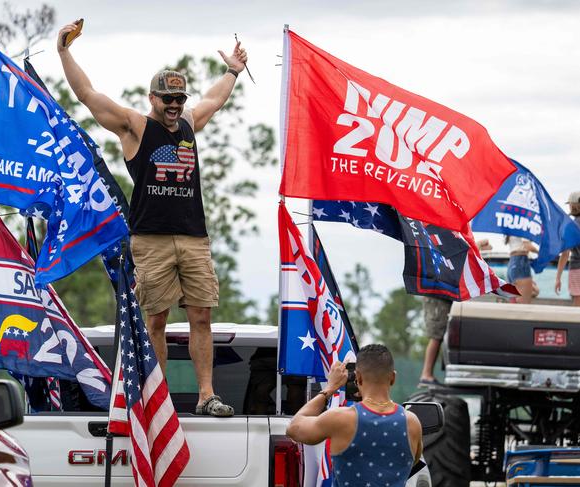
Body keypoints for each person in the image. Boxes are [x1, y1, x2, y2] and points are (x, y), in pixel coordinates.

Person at [57, 22, 249, 416]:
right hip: (152, 239)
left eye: (179, 97)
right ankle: (157, 399)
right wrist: (64, 53)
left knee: (201, 314)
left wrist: (232, 71)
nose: (175, 104)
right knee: (156, 319)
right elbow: (90, 96)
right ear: (152, 97)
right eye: (168, 98)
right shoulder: (135, 127)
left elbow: (214, 100)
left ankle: (206, 395)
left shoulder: (190, 124)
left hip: (194, 237)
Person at [286, 345, 423, 486]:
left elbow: (294, 427)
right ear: (393, 378)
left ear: (358, 377)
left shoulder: (341, 419)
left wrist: (330, 388)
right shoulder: (412, 422)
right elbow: (414, 461)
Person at [418, 238, 492, 386]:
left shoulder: (445, 237)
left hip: (444, 294)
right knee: (436, 335)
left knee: (443, 334)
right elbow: (452, 255)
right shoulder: (436, 238)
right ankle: (426, 375)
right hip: (436, 294)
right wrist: (476, 246)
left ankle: (431, 373)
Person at [555, 191, 580, 306]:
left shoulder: (571, 226)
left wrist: (558, 278)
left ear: (574, 205)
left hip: (577, 268)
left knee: (577, 305)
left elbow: (565, 254)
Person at [506, 236, 538, 304]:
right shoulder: (524, 226)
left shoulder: (510, 229)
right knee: (523, 307)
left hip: (512, 263)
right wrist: (542, 253)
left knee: (514, 304)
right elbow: (528, 246)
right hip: (521, 261)